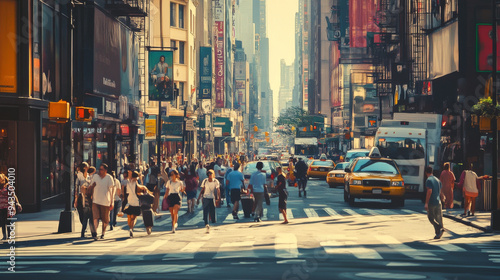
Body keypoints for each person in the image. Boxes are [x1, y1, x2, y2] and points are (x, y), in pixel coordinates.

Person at [88, 163, 115, 241]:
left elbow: (111, 190)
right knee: (95, 217)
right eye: (99, 169)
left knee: (105, 220)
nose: (99, 171)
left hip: (105, 202)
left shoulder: (109, 178)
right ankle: (95, 233)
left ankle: (103, 233)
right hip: (95, 201)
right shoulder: (95, 177)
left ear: (105, 171)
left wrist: (112, 201)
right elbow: (91, 185)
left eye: (101, 169)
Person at [123, 171, 153, 237]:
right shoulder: (138, 186)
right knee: (134, 218)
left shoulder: (128, 183)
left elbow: (127, 192)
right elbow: (142, 191)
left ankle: (130, 228)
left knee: (129, 217)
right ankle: (131, 228)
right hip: (136, 202)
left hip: (130, 201)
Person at [74, 162, 96, 238]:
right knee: (82, 214)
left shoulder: (90, 176)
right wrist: (76, 199)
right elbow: (76, 187)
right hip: (81, 196)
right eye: (87, 166)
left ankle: (88, 231)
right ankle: (87, 231)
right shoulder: (79, 175)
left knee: (88, 215)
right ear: (84, 168)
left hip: (89, 197)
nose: (88, 167)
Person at [424, 166, 445, 239]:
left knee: (431, 218)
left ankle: (439, 228)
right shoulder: (437, 180)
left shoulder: (428, 180)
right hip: (438, 202)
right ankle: (438, 233)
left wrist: (426, 203)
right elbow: (441, 190)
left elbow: (429, 191)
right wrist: (442, 197)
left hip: (432, 202)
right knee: (439, 217)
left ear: (426, 172)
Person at [0, 173, 22, 242]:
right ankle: (4, 236)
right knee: (2, 221)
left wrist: (17, 203)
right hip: (1, 206)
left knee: (8, 221)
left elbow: (13, 195)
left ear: (3, 179)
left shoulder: (8, 187)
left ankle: (9, 235)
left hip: (8, 206)